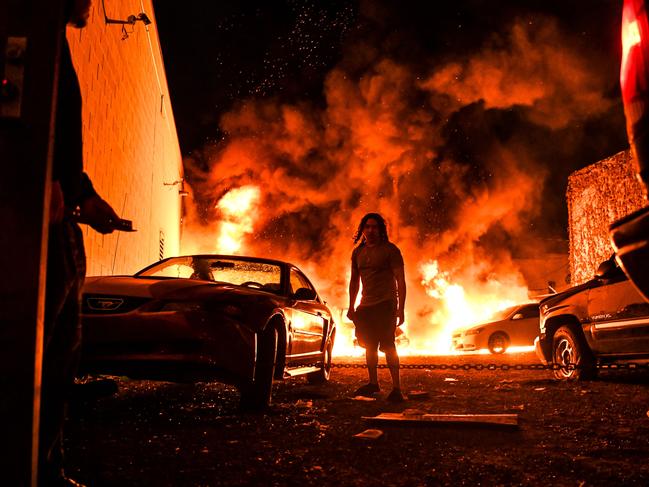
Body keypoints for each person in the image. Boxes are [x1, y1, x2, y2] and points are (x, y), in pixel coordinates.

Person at [40, 1, 120, 485]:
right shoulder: (28, 31)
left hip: (60, 229)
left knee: (58, 360)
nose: (91, 2)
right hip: (37, 233)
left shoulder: (55, 40)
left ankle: (47, 465)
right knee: (36, 361)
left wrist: (83, 193)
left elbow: (60, 140)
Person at [347, 213, 407, 402]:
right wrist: (351, 305)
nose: (371, 230)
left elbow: (401, 281)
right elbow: (354, 281)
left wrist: (401, 308)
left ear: (381, 230)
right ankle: (373, 384)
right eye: (367, 227)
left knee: (389, 345)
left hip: (386, 304)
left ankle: (396, 388)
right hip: (366, 306)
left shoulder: (390, 250)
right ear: (362, 230)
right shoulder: (358, 252)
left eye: (374, 227)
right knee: (369, 346)